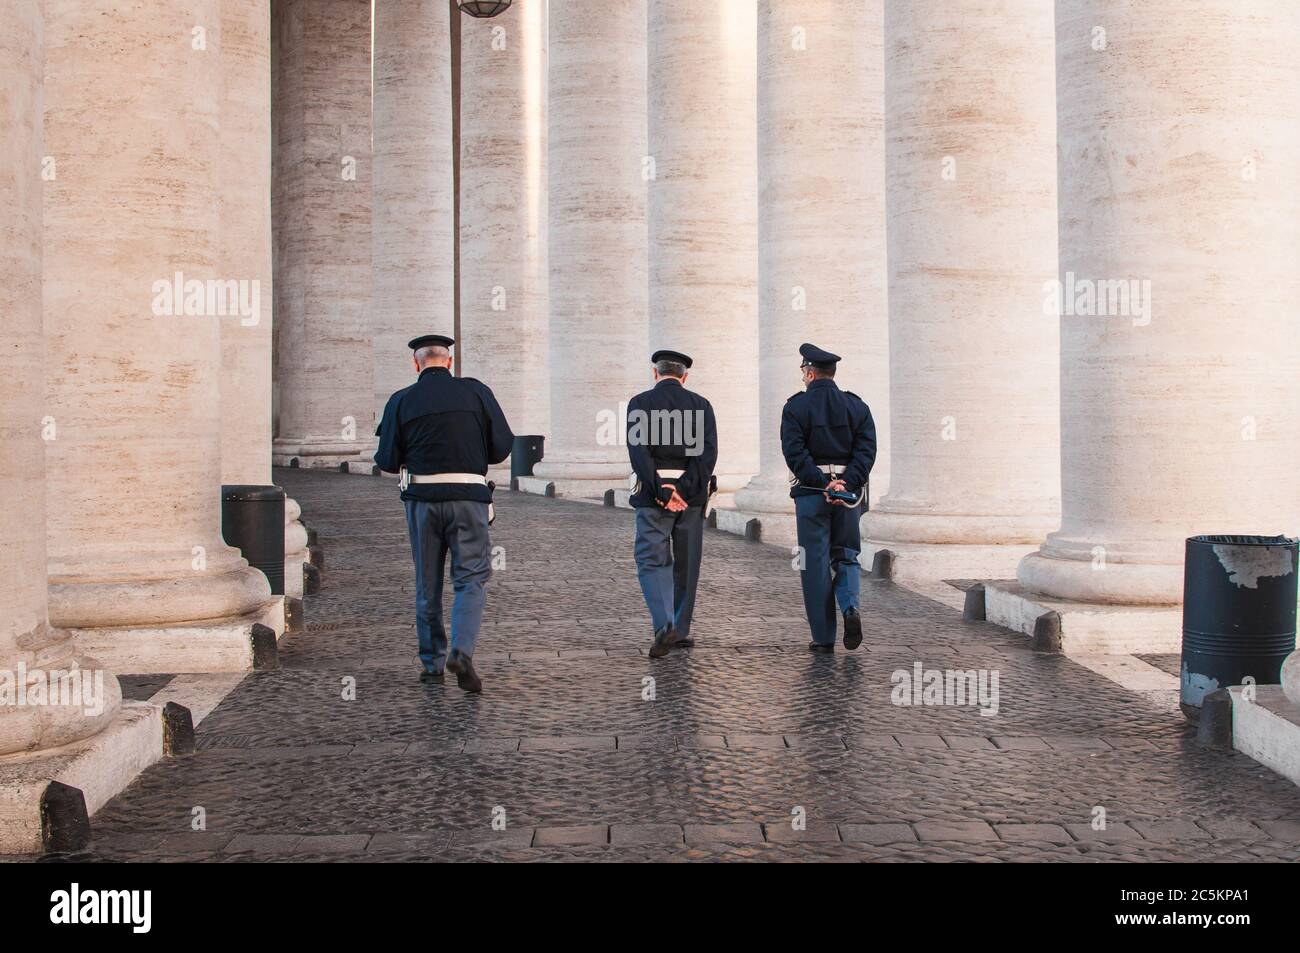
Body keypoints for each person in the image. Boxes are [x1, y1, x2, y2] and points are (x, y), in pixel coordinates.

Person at [374, 334, 513, 692]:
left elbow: (386, 459)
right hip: (469, 498)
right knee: (471, 578)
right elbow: (501, 448)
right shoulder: (476, 392)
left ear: (416, 363)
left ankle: (432, 662)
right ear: (449, 362)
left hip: (422, 500)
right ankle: (462, 651)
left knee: (427, 582)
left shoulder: (401, 400)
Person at [781, 342, 877, 653]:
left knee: (815, 564)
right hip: (847, 494)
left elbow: (794, 452)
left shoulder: (795, 407)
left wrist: (822, 484)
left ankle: (823, 637)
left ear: (809, 372)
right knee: (847, 555)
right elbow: (867, 450)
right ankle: (850, 607)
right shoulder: (857, 407)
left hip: (812, 494)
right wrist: (845, 481)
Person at [626, 349, 718, 658]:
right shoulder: (701, 405)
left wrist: (663, 490)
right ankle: (680, 629)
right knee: (687, 563)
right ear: (684, 376)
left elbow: (639, 454)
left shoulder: (640, 404)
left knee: (652, 561)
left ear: (655, 373)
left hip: (653, 497)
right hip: (691, 499)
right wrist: (684, 488)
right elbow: (707, 456)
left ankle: (663, 623)